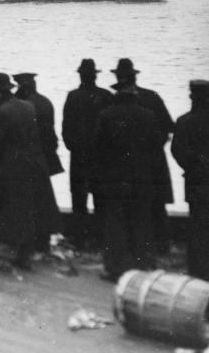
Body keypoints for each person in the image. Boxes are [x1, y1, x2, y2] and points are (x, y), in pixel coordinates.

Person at [0, 74, 58, 270]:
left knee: (13, 211)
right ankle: (27, 255)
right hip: (34, 164)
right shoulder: (28, 106)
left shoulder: (1, 111)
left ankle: (15, 256)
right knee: (29, 209)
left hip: (13, 167)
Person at [91, 79, 163, 282]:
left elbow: (97, 148)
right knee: (141, 222)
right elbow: (157, 148)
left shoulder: (106, 115)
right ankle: (142, 266)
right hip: (141, 178)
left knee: (115, 224)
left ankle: (115, 269)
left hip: (114, 180)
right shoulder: (148, 116)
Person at [111, 58, 175, 255]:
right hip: (153, 159)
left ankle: (136, 248)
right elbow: (168, 128)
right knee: (156, 204)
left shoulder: (115, 102)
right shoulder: (152, 97)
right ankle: (161, 246)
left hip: (125, 163)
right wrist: (155, 148)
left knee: (130, 207)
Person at [61, 59, 112, 250]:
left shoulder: (73, 96)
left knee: (78, 198)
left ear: (81, 75)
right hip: (101, 156)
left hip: (79, 155)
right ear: (95, 75)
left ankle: (79, 238)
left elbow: (66, 128)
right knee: (100, 199)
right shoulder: (106, 95)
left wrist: (73, 147)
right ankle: (100, 238)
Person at [13, 73, 63, 253]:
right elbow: (50, 135)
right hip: (44, 157)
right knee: (44, 201)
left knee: (27, 203)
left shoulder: (22, 104)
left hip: (27, 159)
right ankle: (44, 240)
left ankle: (28, 243)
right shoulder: (45, 102)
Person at [170, 79, 209, 280]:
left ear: (192, 96)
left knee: (196, 226)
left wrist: (192, 167)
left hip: (195, 181)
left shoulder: (184, 121)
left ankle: (197, 270)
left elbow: (176, 150)